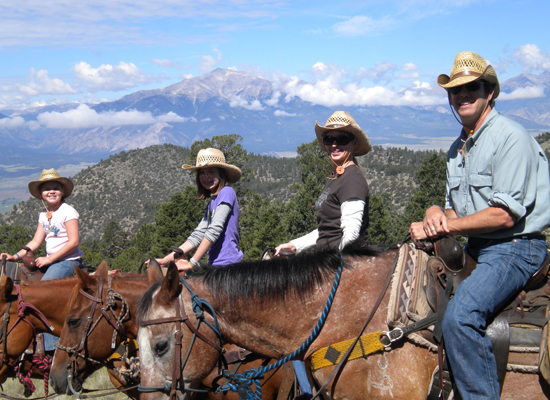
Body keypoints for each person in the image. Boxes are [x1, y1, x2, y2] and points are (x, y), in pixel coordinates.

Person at [409, 51, 550, 399]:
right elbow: (453, 210)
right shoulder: (457, 149)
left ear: (489, 92)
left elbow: (504, 215)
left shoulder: (510, 137)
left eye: (472, 87)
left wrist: (446, 228)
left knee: (461, 318)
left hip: (515, 248)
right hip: (477, 246)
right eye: (456, 90)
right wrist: (432, 215)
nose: (463, 95)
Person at [1, 168, 86, 351]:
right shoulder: (43, 214)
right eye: (47, 189)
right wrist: (14, 256)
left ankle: (51, 348)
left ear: (63, 192)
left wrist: (49, 260)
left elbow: (73, 242)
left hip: (68, 261)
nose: (52, 191)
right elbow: (36, 241)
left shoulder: (68, 211)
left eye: (55, 187)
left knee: (43, 293)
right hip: (52, 261)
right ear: (41, 194)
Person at [275, 110, 371, 256]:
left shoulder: (352, 179)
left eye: (342, 139)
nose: (334, 145)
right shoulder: (336, 178)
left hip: (342, 263)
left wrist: (332, 264)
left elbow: (351, 235)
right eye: (329, 139)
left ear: (354, 142)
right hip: (327, 259)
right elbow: (328, 229)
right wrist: (295, 245)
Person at [153, 148, 243, 270]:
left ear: (221, 174)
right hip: (215, 265)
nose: (206, 177)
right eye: (202, 173)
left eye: (211, 172)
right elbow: (198, 234)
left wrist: (192, 263)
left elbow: (214, 229)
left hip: (228, 267)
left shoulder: (226, 192)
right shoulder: (213, 202)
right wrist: (165, 261)